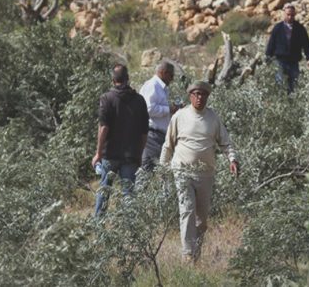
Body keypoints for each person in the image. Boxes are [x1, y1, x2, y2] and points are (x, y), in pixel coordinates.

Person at [160, 80, 239, 263]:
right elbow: (168, 145)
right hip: (182, 171)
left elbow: (225, 143)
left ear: (208, 97)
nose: (199, 97)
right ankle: (187, 254)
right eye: (196, 94)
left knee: (201, 220)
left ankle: (196, 254)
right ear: (190, 96)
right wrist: (162, 168)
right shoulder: (179, 117)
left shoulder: (213, 118)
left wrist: (232, 159)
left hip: (205, 174)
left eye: (203, 94)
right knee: (186, 210)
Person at [92, 64, 149, 216]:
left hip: (110, 154)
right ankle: (129, 230)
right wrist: (139, 154)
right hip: (131, 156)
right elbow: (144, 132)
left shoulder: (107, 98)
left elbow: (104, 128)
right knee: (128, 195)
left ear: (113, 79)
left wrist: (98, 153)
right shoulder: (139, 100)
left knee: (104, 191)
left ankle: (98, 226)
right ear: (128, 78)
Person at [265, 4, 309, 94]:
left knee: (294, 85)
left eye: (292, 15)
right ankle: (281, 103)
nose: (290, 17)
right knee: (281, 84)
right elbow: (271, 44)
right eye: (288, 14)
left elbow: (307, 44)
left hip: (294, 62)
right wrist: (268, 57)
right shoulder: (278, 28)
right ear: (284, 14)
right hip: (280, 61)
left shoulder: (299, 28)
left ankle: (292, 105)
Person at [139, 60, 178, 171]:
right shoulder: (153, 85)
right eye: (171, 75)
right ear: (163, 72)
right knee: (148, 170)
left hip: (159, 136)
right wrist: (168, 109)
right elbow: (148, 108)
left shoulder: (161, 88)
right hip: (152, 136)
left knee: (159, 171)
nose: (172, 78)